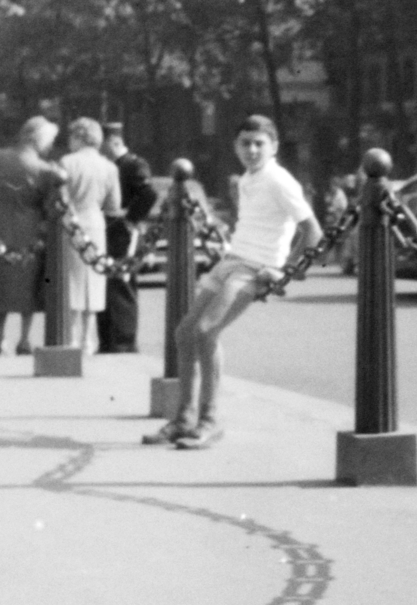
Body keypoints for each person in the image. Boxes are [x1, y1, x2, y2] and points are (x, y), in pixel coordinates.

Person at [143, 116, 320, 450]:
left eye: (259, 144)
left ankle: (209, 421)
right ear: (236, 146)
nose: (252, 150)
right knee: (185, 332)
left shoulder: (279, 180)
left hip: (255, 268)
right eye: (245, 143)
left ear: (274, 146)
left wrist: (285, 272)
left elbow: (313, 231)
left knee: (206, 331)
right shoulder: (248, 179)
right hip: (231, 261)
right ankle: (183, 419)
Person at [59, 118, 122, 355]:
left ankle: (72, 337)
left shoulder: (67, 162)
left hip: (71, 224)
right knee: (94, 282)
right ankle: (88, 339)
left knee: (72, 282)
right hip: (95, 224)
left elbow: (61, 198)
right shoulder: (109, 167)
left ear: (78, 137)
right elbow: (114, 205)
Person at [0, 117, 62, 354]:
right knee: (29, 287)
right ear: (39, 140)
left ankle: (0, 338)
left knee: (2, 285)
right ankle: (24, 339)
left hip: (2, 229)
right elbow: (51, 205)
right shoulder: (44, 170)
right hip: (30, 232)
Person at [96, 122, 158, 353]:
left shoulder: (133, 164)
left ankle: (123, 341)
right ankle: (108, 340)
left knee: (121, 285)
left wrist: (131, 218)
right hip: (110, 230)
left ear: (113, 142)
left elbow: (149, 193)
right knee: (108, 285)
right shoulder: (113, 165)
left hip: (123, 233)